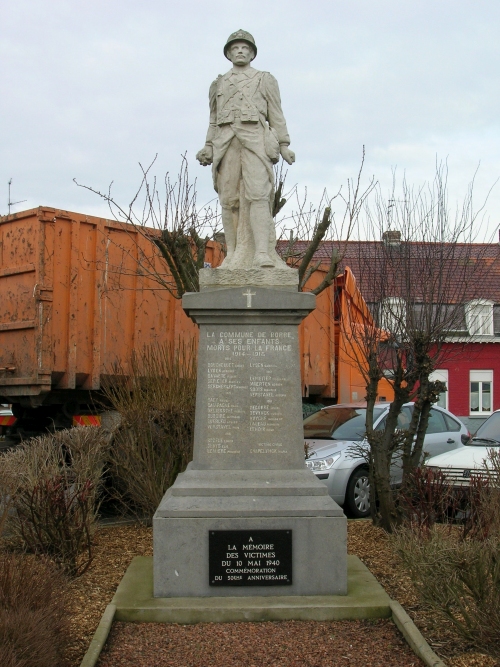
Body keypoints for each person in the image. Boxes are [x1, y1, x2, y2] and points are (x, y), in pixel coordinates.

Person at [196, 30, 295, 269]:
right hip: (225, 142)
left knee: (258, 195)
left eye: (245, 48)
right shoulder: (218, 84)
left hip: (256, 141)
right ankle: (233, 255)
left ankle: (262, 253)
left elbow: (276, 114)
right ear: (229, 54)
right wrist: (208, 146)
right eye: (235, 48)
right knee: (228, 200)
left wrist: (284, 145)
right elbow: (212, 119)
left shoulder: (265, 79)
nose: (240, 51)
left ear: (252, 53)